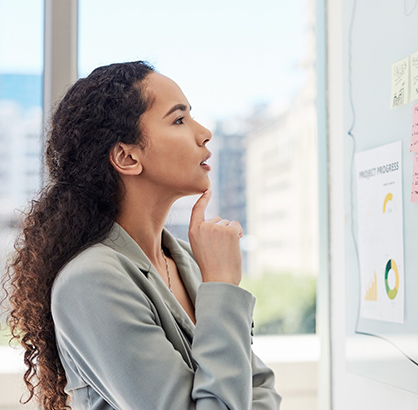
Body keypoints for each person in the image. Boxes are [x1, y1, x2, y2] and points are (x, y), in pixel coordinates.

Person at [1, 61, 282, 410]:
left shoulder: (187, 259)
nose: (204, 132)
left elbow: (259, 385)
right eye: (179, 120)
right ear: (126, 156)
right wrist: (222, 286)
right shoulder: (91, 280)